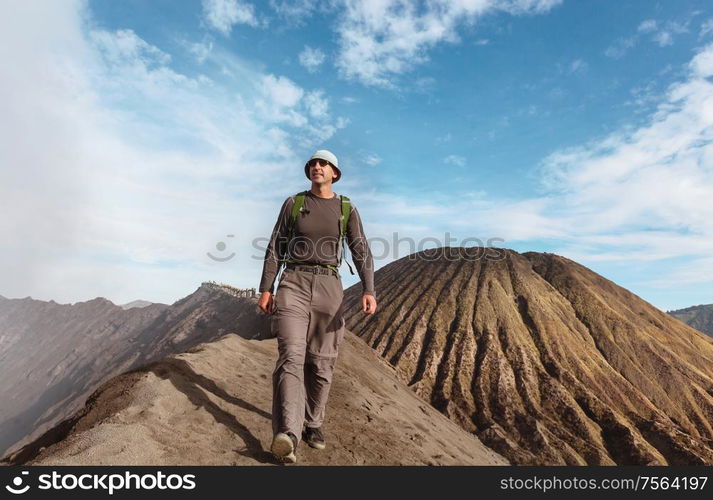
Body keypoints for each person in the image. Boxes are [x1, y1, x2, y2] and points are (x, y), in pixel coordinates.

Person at [257, 149, 377, 463]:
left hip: (329, 285)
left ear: (335, 173)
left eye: (323, 164)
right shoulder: (293, 204)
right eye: (313, 163)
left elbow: (360, 249)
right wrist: (266, 288)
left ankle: (313, 422)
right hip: (293, 282)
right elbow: (275, 246)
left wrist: (369, 289)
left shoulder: (346, 207)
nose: (317, 167)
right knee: (291, 356)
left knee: (322, 363)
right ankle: (288, 434)